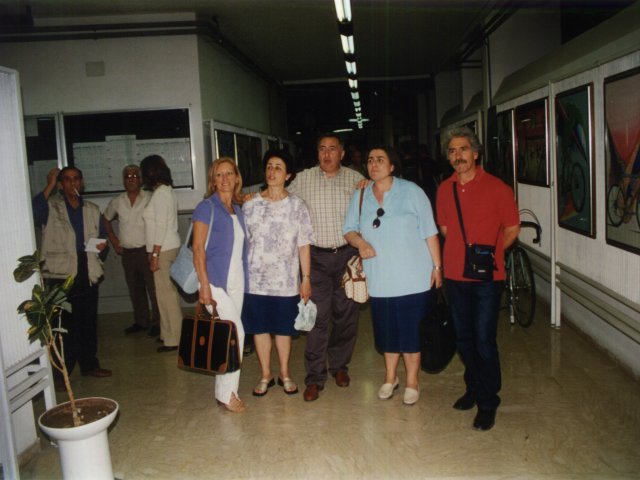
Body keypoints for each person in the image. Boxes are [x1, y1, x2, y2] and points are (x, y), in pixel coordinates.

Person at [436, 126, 520, 431]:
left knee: (484, 339)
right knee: (464, 337)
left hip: (487, 278)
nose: (458, 156)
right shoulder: (445, 189)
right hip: (455, 275)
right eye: (452, 151)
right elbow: (445, 229)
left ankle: (488, 400)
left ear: (476, 152)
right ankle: (473, 386)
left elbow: (511, 229)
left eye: (463, 149)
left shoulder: (498, 189)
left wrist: (490, 254)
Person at [343, 146, 442, 405]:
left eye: (380, 160)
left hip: (414, 277)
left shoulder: (412, 192)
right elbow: (349, 229)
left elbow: (430, 232)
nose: (374, 164)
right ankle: (390, 378)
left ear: (393, 166)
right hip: (380, 279)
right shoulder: (362, 194)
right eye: (370, 160)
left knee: (410, 333)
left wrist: (437, 267)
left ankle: (412, 381)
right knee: (387, 334)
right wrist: (360, 243)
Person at [287, 133, 364, 402]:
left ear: (342, 153)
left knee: (346, 316)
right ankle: (315, 377)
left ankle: (340, 367)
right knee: (317, 318)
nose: (327, 154)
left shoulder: (356, 180)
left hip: (346, 257)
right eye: (322, 149)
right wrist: (250, 198)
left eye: (332, 149)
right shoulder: (303, 179)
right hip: (316, 259)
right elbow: (281, 198)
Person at [242, 149, 314, 397]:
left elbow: (303, 244)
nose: (272, 172)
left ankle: (284, 373)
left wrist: (305, 278)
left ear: (288, 175)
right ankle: (265, 375)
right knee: (260, 329)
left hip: (285, 281)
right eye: (269, 167)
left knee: (284, 330)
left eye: (278, 168)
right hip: (255, 281)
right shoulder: (250, 204)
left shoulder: (297, 206)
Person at [32, 166, 112, 384]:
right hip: (60, 272)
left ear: (81, 182)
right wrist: (49, 185)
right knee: (62, 324)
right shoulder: (51, 207)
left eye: (76, 179)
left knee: (87, 321)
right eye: (66, 180)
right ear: (61, 183)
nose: (72, 183)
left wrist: (102, 246)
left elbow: (103, 240)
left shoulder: (92, 209)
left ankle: (90, 365)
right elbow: (33, 211)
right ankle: (60, 373)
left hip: (87, 269)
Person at [193, 157, 249, 413]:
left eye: (229, 174)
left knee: (226, 337)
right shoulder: (207, 207)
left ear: (237, 178)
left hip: (236, 282)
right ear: (213, 180)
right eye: (219, 175)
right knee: (236, 334)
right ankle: (228, 395)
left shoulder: (237, 209)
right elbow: (197, 249)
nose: (224, 179)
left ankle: (224, 391)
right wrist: (204, 286)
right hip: (214, 281)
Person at [103, 164, 160, 337]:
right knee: (135, 289)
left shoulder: (150, 197)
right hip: (127, 253)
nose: (131, 179)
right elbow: (105, 219)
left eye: (135, 176)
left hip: (147, 251)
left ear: (141, 179)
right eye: (128, 176)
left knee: (154, 289)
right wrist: (113, 240)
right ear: (124, 181)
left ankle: (158, 323)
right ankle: (141, 322)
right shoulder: (117, 201)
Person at [140, 155, 183, 353]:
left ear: (150, 172)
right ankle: (168, 334)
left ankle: (176, 338)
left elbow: (161, 226)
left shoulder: (161, 194)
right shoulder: (164, 192)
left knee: (167, 295)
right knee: (163, 294)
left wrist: (155, 255)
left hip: (164, 250)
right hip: (164, 248)